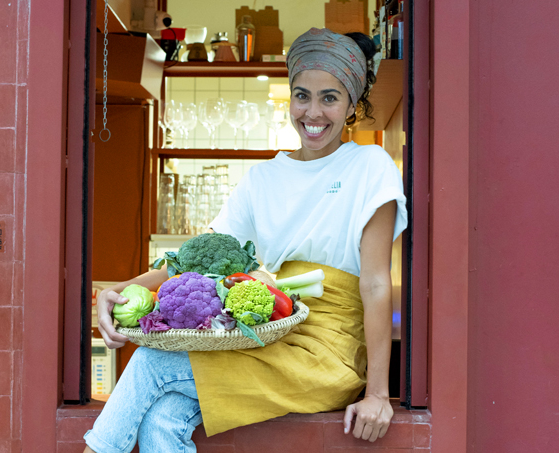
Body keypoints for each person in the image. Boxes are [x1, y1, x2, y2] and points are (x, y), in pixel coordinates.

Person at [84, 27, 408, 453]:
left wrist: (378, 395)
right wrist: (123, 289)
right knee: (162, 419)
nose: (313, 112)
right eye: (302, 95)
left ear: (351, 104)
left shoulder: (370, 165)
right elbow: (198, 257)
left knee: (150, 363)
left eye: (330, 97)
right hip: (270, 331)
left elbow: (375, 283)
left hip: (330, 353)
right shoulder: (263, 178)